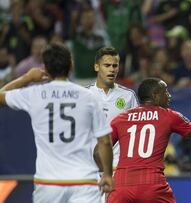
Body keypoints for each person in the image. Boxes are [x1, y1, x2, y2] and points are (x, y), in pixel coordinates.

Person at [99, 78, 191, 203]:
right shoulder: (168, 116)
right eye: (165, 91)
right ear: (155, 95)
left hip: (121, 184)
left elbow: (97, 152)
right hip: (151, 184)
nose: (169, 96)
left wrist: (106, 173)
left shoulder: (120, 119)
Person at [0, 43, 113, 203]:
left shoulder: (34, 94)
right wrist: (107, 174)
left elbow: (1, 96)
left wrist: (27, 78)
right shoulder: (88, 97)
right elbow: (105, 141)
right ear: (71, 65)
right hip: (84, 181)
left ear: (45, 68)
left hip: (48, 182)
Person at [88, 46, 139, 170]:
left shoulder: (128, 96)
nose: (112, 69)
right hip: (89, 167)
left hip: (117, 166)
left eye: (115, 66)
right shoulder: (84, 95)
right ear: (96, 67)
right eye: (107, 65)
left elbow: (137, 131)